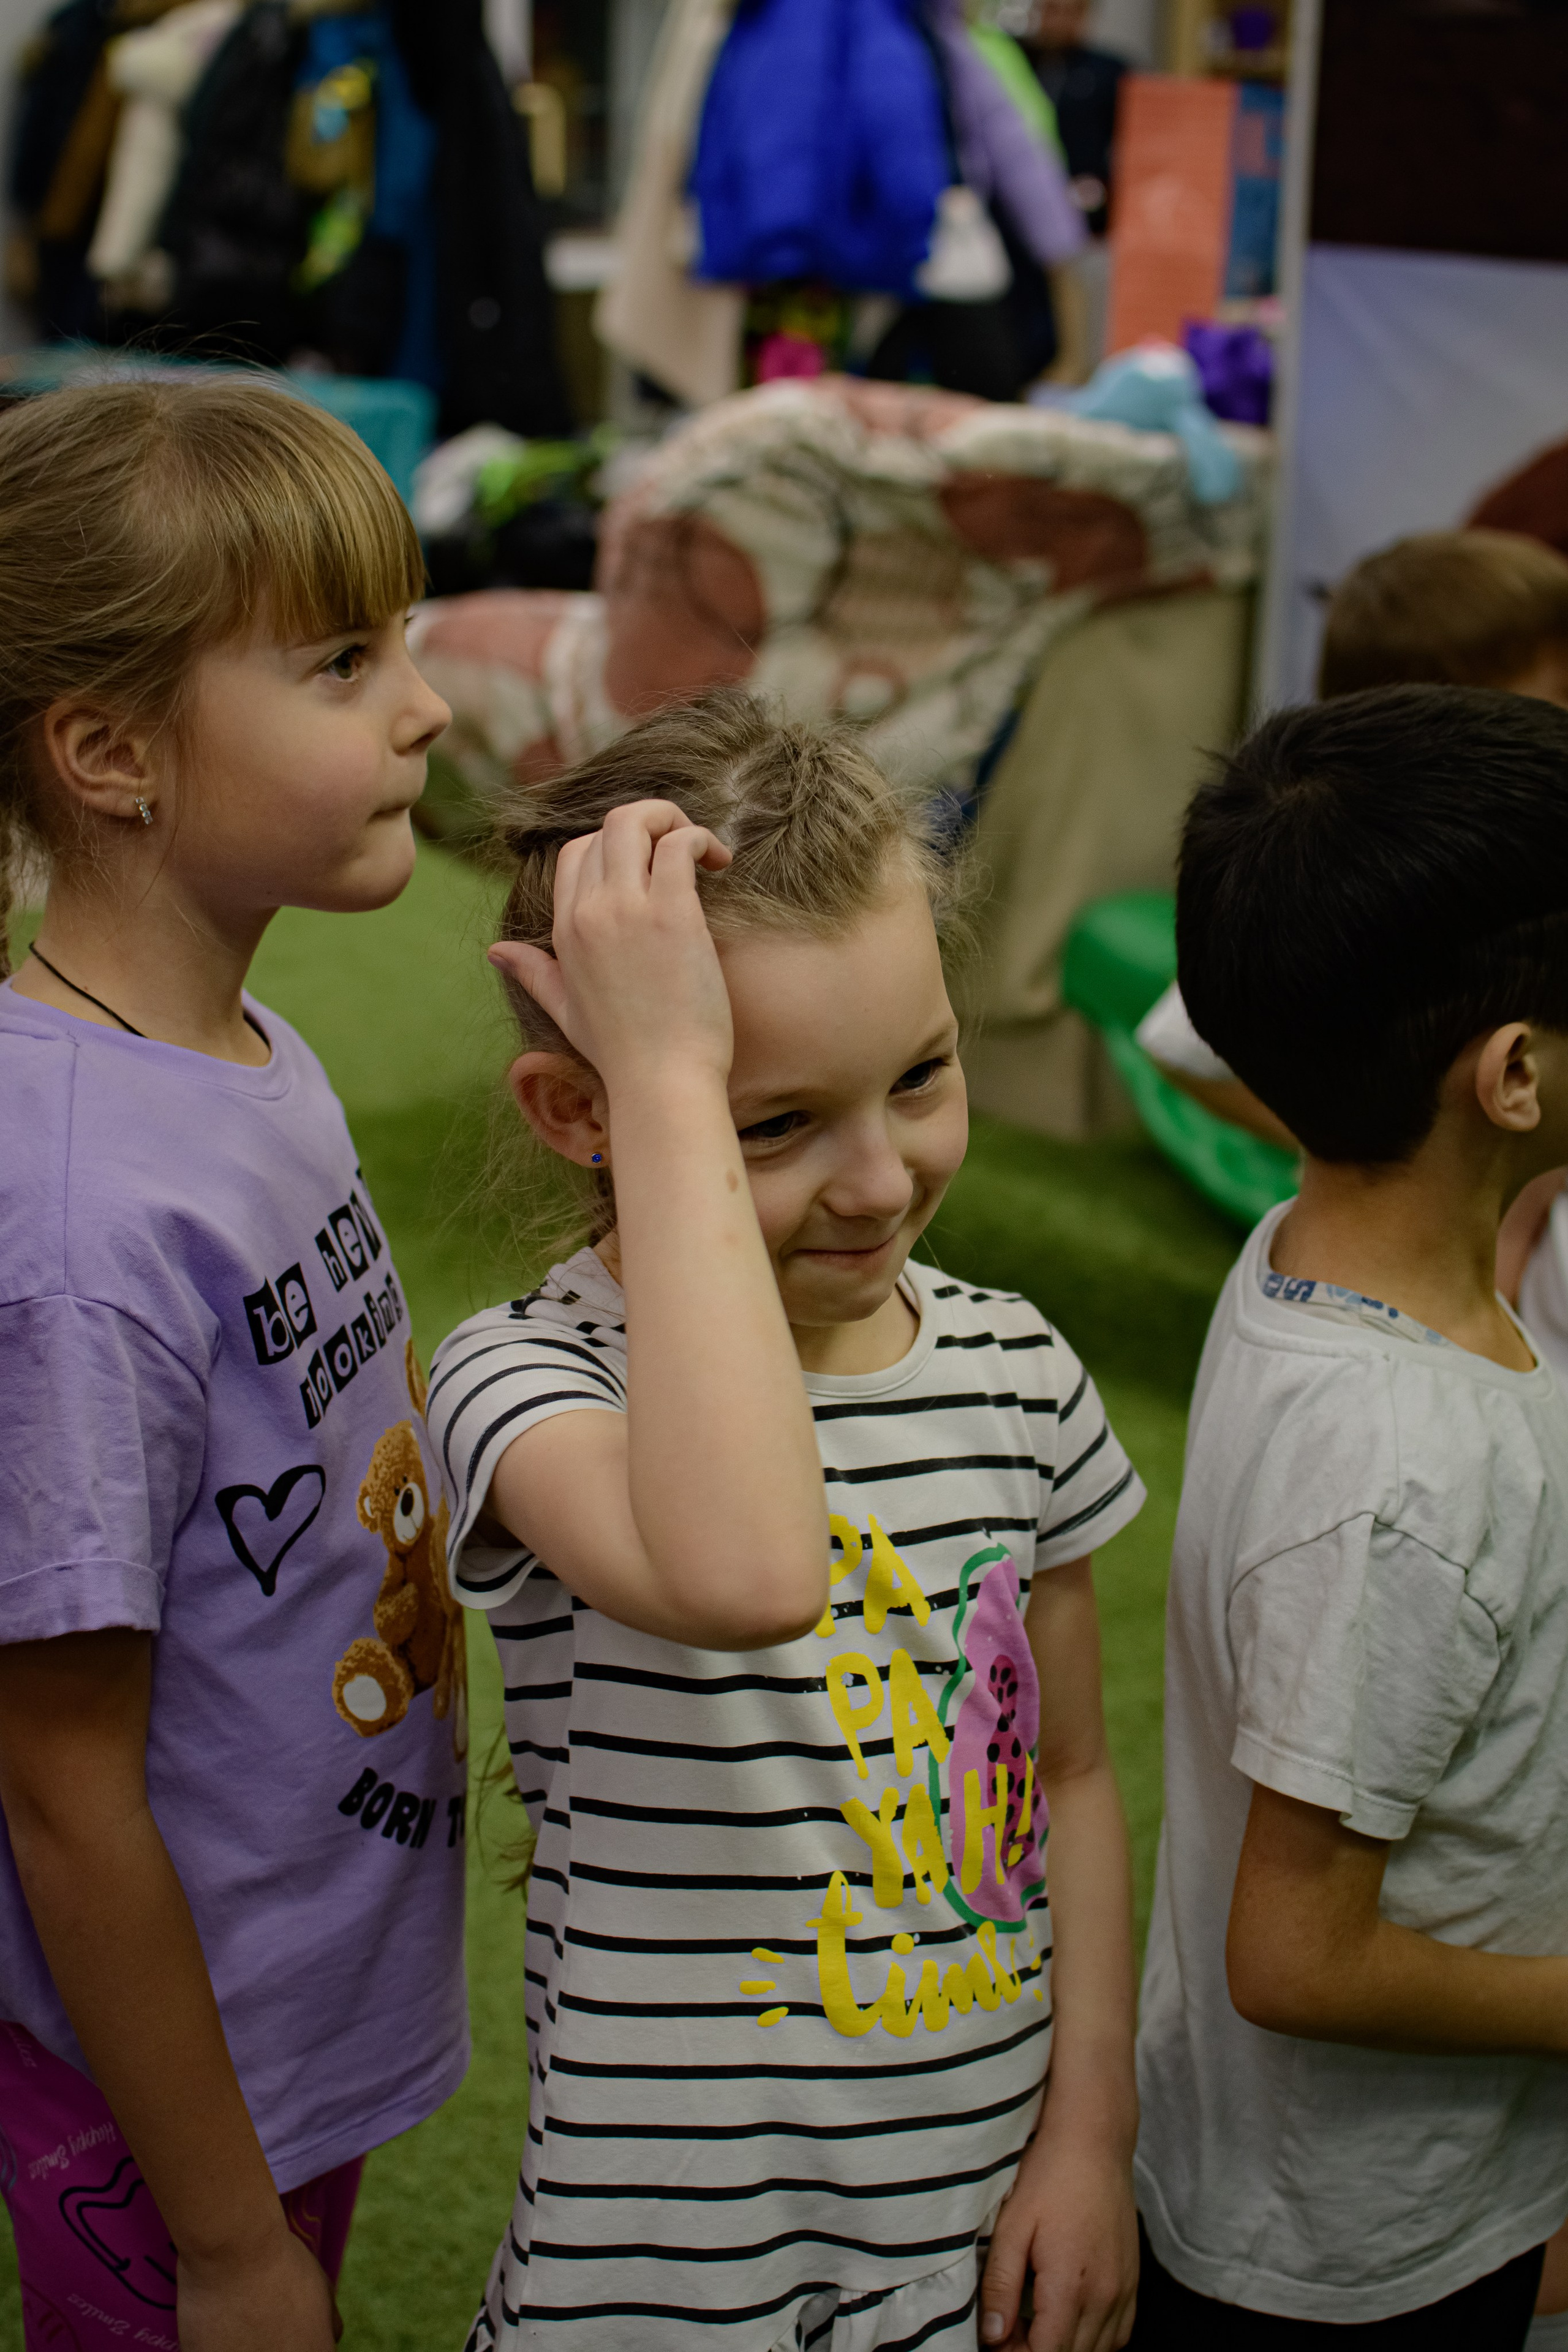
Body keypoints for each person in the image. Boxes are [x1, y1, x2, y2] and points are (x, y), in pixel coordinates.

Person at [424, 693, 1147, 2352]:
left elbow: (1080, 1776)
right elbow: (740, 1571)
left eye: (922, 1075)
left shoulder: (1016, 1371)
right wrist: (670, 1070)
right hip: (662, 2270)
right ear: (580, 1112)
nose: (881, 1179)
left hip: (973, 2235)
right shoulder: (529, 1380)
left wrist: (1091, 2132)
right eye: (774, 1123)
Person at [0, 374, 461, 2351]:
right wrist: (220, 2238)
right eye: (345, 662)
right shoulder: (83, 1221)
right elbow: (59, 1791)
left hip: (294, 1975)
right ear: (111, 751)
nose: (424, 708)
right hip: (163, 2087)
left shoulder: (255, 1054)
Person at [1131, 685, 1568, 2345]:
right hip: (1346, 2258)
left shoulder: (1313, 1247)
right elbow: (1298, 1959)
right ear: (1513, 1073)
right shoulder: (1404, 1470)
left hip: (1389, 2197)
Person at [1022, 0, 1126, 238]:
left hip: (1090, 212)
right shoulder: (1016, 62)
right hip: (1026, 204)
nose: (1059, 22)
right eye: (1052, 10)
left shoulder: (1109, 72)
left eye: (1072, 12)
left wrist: (1106, 187)